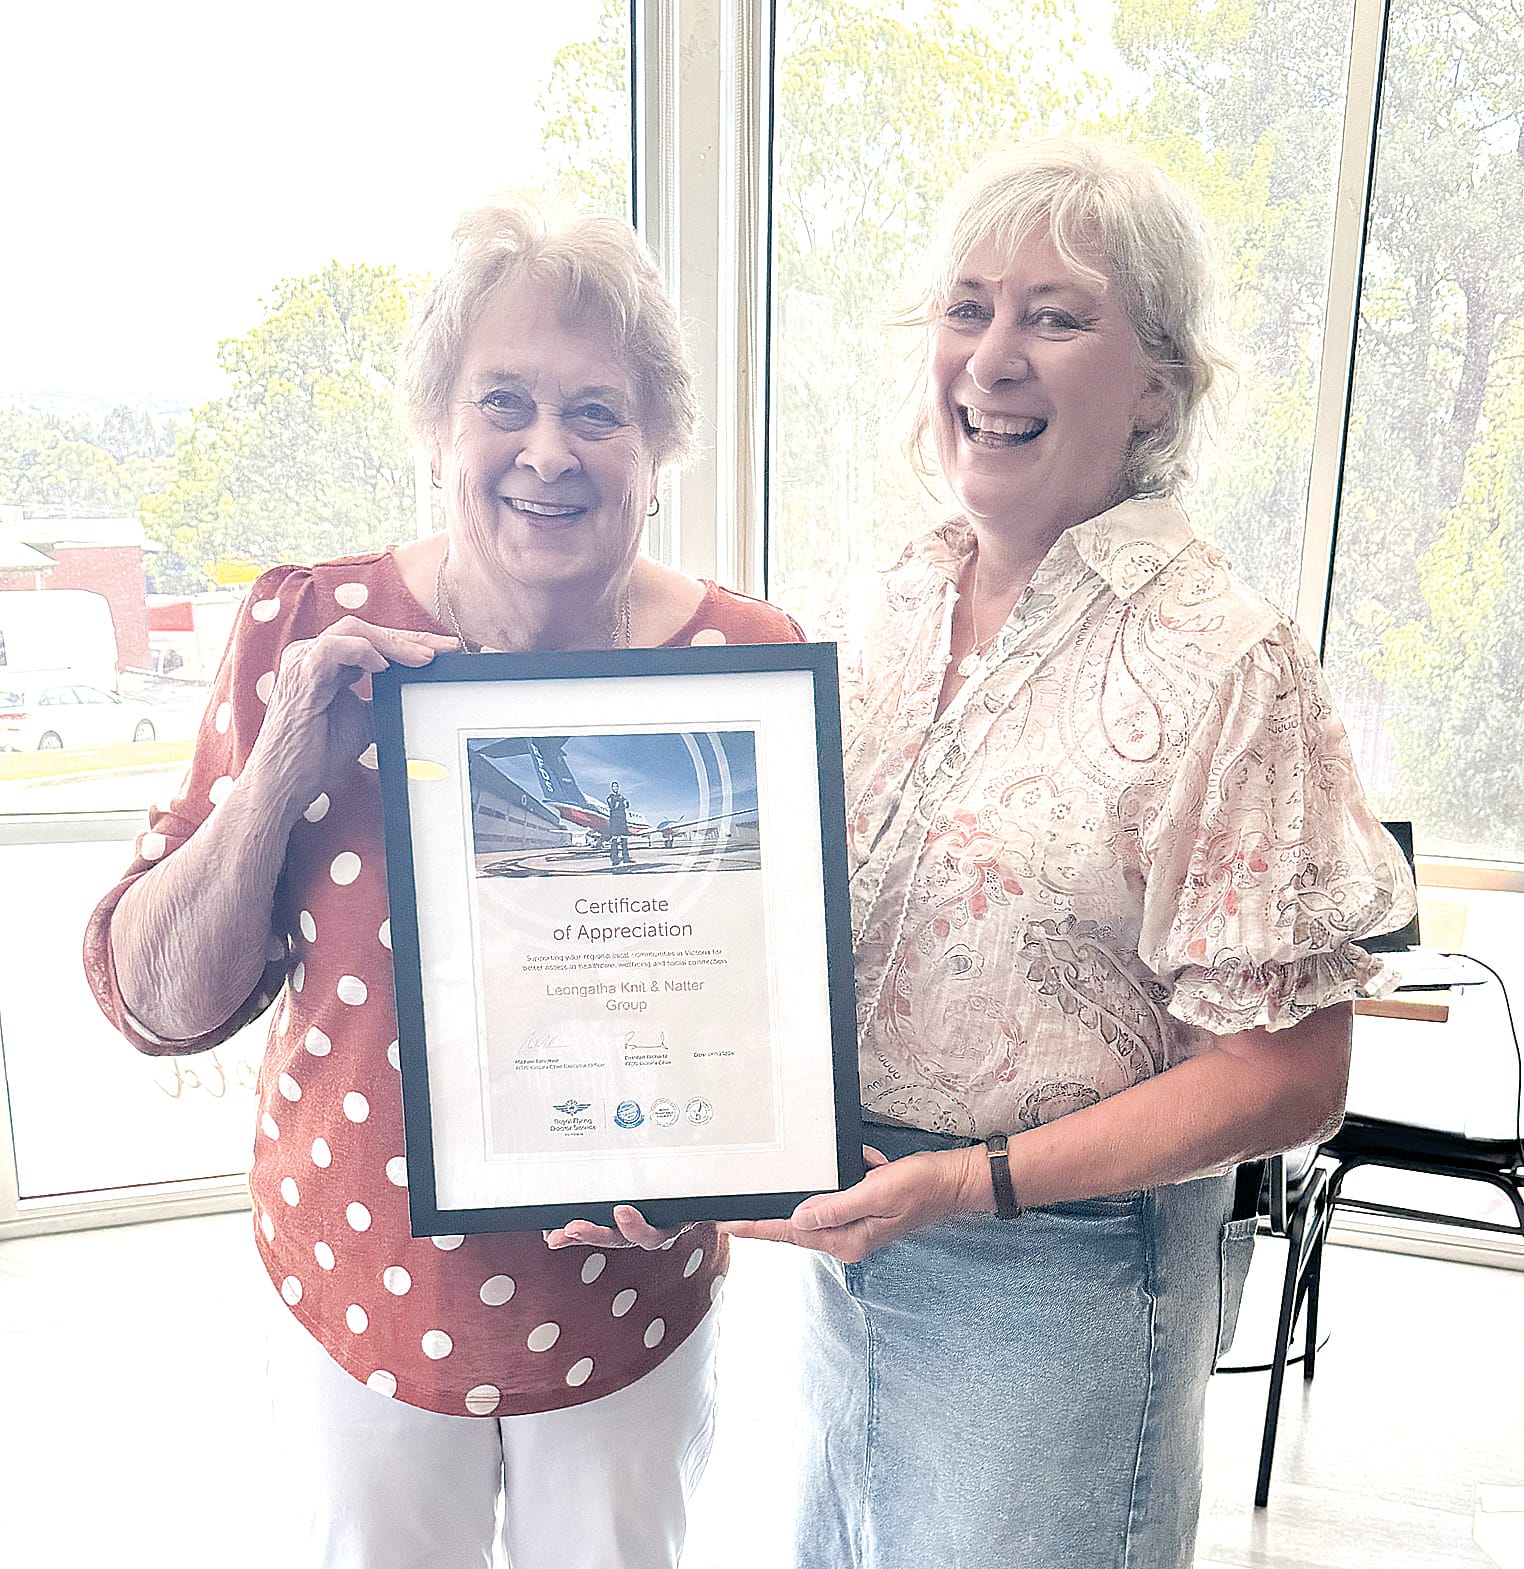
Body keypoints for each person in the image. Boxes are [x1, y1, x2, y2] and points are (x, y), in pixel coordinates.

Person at [725, 138, 1418, 1567]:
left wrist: (973, 1184)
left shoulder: (1226, 661)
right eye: (967, 308)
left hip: (1062, 1281)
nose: (993, 356)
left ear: (1159, 384)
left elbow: (1291, 1074)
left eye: (1057, 315)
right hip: (854, 1246)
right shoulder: (888, 607)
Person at [82, 202, 803, 1569]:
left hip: (628, 1297)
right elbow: (154, 1002)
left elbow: (773, 1004)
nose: (548, 450)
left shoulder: (742, 660)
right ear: (438, 428)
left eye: (599, 410)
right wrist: (288, 752)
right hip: (362, 1285)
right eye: (505, 402)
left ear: (659, 448)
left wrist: (732, 1159)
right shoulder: (306, 630)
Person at [607, 779, 632, 866]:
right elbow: (612, 805)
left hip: (622, 819)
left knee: (624, 838)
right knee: (614, 839)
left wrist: (625, 803)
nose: (615, 788)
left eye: (616, 786)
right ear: (611, 788)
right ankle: (615, 858)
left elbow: (627, 804)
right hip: (614, 820)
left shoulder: (622, 797)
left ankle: (626, 857)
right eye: (614, 787)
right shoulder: (610, 797)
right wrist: (619, 803)